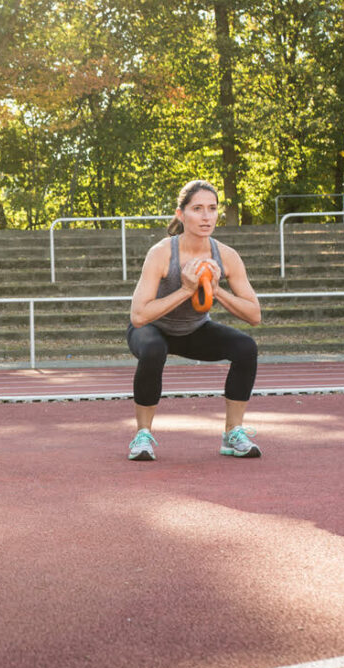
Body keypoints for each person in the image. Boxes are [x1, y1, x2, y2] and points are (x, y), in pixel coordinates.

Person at [126, 180, 263, 461]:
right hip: (154, 329)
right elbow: (139, 316)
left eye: (212, 209)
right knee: (153, 350)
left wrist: (217, 289)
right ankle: (142, 435)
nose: (206, 216)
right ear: (181, 214)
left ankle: (232, 433)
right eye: (197, 208)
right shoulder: (162, 253)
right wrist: (186, 290)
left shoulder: (226, 256)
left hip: (195, 330)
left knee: (246, 348)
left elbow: (254, 315)